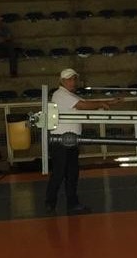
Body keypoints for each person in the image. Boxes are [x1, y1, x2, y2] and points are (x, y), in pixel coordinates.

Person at [47, 68, 120, 215]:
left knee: (71, 173)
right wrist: (102, 103)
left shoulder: (69, 95)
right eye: (69, 79)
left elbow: (84, 105)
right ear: (62, 81)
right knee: (60, 173)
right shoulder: (60, 94)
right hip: (61, 140)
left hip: (70, 139)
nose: (72, 82)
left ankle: (70, 203)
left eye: (74, 79)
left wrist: (105, 102)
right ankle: (51, 202)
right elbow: (82, 105)